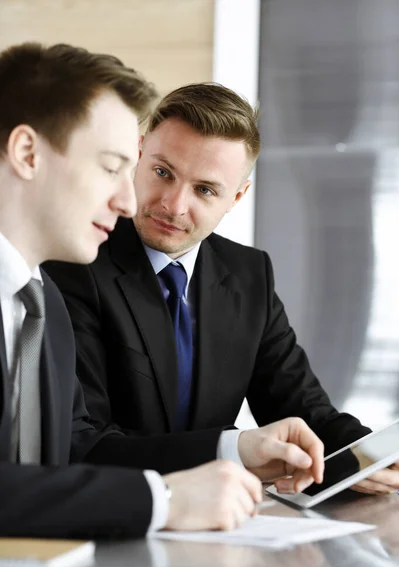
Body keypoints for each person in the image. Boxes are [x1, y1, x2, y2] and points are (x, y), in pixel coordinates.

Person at [0, 42, 328, 540]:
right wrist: (167, 498)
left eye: (205, 189)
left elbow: (46, 468)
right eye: (116, 166)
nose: (134, 200)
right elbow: (78, 453)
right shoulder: (66, 284)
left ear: (236, 196)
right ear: (27, 153)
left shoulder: (41, 309)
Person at [45, 82, 399, 495]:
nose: (173, 205)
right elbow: (85, 447)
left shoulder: (249, 274)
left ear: (237, 196)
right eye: (163, 173)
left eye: (205, 190)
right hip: (111, 519)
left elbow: (305, 409)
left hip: (221, 530)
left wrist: (372, 454)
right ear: (138, 155)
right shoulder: (75, 261)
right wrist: (233, 449)